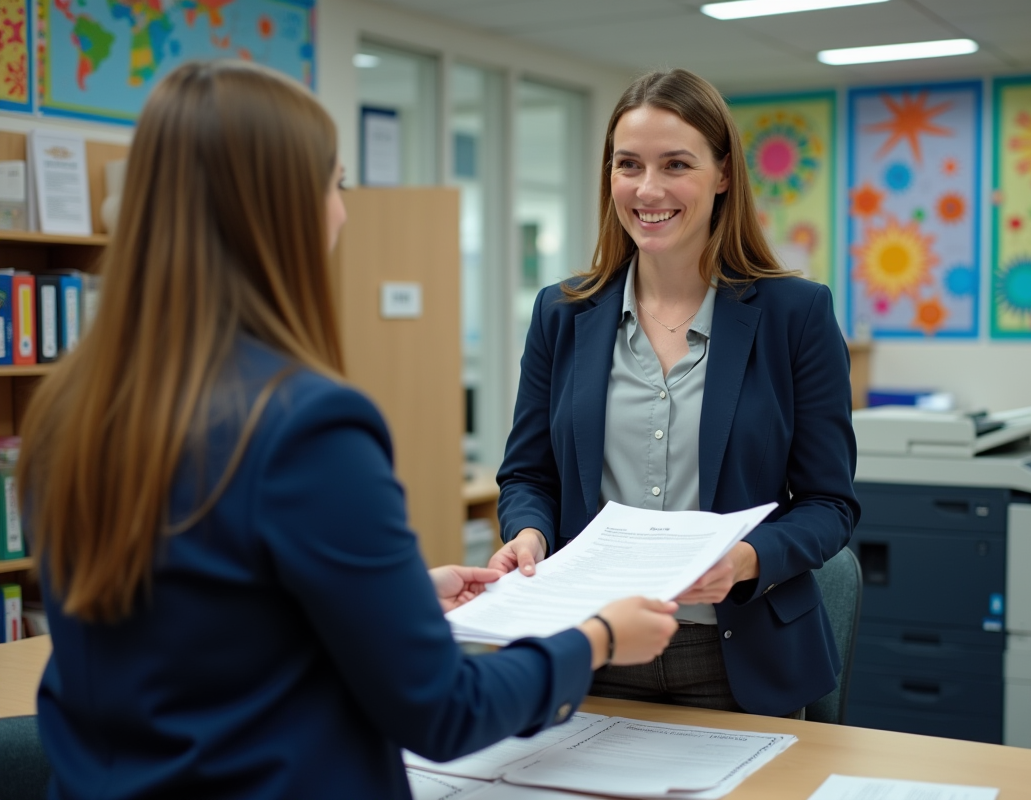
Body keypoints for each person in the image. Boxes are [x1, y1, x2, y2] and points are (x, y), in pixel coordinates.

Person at [19, 61, 678, 800]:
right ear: (279, 209)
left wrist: (390, 596)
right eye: (335, 185)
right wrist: (599, 639)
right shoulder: (307, 424)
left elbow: (185, 628)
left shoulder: (69, 407)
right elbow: (442, 709)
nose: (342, 212)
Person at [489, 69, 860, 718]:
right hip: (594, 642)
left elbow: (830, 503)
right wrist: (528, 535)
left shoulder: (794, 315)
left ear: (722, 175)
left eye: (676, 164)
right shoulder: (561, 313)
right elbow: (528, 475)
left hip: (738, 651)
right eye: (628, 164)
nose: (648, 189)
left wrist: (747, 559)